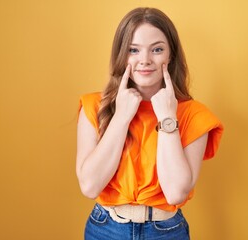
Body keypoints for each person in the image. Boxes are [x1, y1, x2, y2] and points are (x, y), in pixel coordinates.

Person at [76, 7, 223, 240]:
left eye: (157, 49)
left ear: (170, 55)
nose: (145, 60)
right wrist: (122, 116)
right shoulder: (94, 106)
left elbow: (175, 193)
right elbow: (90, 186)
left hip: (166, 232)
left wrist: (167, 118)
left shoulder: (194, 115)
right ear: (121, 54)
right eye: (133, 50)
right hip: (105, 229)